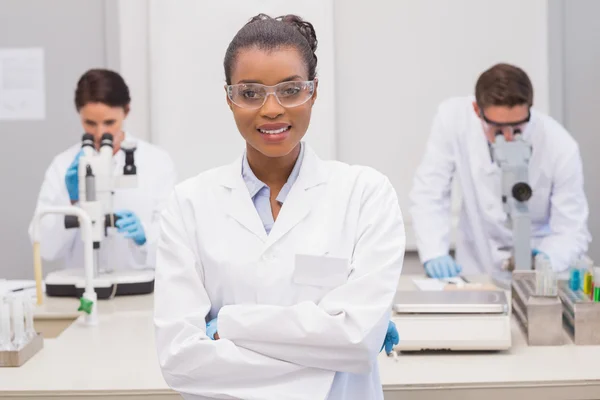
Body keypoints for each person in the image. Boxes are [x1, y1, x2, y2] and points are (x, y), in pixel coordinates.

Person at [154, 14, 404, 400]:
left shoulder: (366, 194)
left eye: (290, 90)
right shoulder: (188, 204)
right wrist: (323, 352)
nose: (271, 109)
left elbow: (355, 341)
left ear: (313, 92)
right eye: (250, 92)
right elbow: (179, 360)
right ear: (229, 97)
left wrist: (231, 324)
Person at [410, 63, 590, 279]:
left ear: (529, 110)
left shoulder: (560, 146)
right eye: (497, 129)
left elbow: (572, 229)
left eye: (517, 128)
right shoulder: (453, 120)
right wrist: (434, 253)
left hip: (539, 270)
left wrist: (545, 258)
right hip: (477, 263)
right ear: (477, 111)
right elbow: (430, 192)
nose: (508, 137)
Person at [29, 69, 177, 271]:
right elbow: (45, 249)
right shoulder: (63, 165)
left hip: (138, 290)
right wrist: (69, 198)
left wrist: (146, 236)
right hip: (82, 291)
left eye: (109, 123)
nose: (100, 134)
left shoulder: (157, 162)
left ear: (126, 111)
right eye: (90, 123)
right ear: (79, 114)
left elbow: (173, 244)